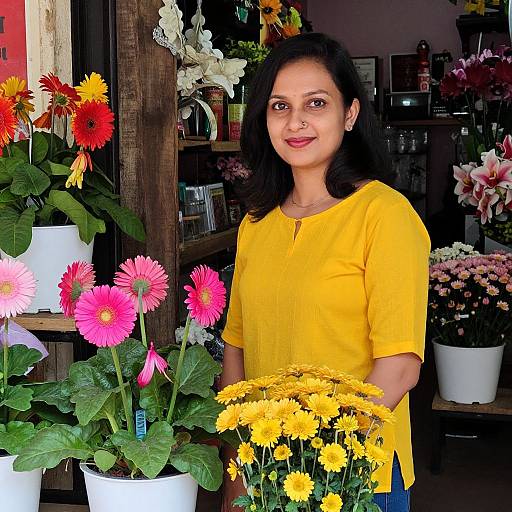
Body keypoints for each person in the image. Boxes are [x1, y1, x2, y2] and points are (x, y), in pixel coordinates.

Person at [220, 32, 430, 512]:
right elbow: (237, 349)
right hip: (264, 472)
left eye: (316, 103)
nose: (296, 122)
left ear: (350, 113)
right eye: (279, 106)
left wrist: (319, 460)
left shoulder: (384, 215)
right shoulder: (258, 221)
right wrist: (238, 466)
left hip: (355, 478)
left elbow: (399, 367)